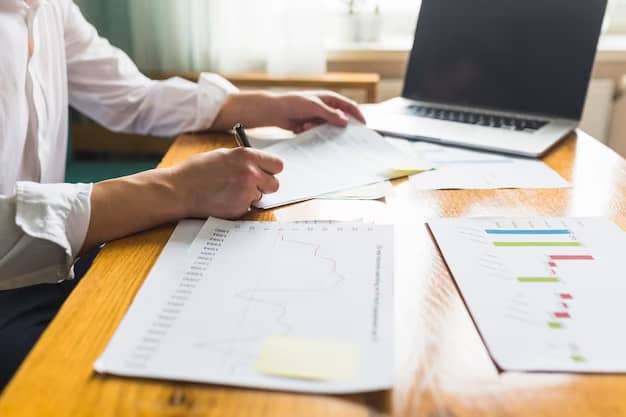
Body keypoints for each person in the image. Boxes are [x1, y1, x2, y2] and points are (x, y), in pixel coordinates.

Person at [0, 0, 365, 390]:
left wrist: (264, 105)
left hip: (55, 261)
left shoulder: (47, 7)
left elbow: (131, 96)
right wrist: (175, 189)